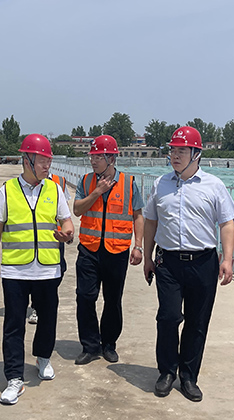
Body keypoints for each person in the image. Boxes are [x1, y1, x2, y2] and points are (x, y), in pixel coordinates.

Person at [142, 126, 234, 402]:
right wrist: (147, 257)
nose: (174, 155)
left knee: (197, 321)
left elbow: (227, 223)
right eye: (172, 150)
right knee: (168, 317)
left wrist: (227, 259)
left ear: (196, 154)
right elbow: (151, 221)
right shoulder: (160, 184)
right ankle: (166, 371)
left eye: (181, 151)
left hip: (203, 262)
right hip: (168, 262)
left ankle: (188, 376)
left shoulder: (214, 185)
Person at [0, 134, 74, 405]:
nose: (48, 166)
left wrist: (67, 233)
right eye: (43, 161)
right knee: (14, 325)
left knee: (48, 319)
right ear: (27, 160)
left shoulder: (55, 190)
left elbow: (67, 222)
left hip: (47, 269)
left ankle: (43, 357)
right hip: (16, 270)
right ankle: (14, 377)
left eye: (49, 161)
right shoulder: (8, 190)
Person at [73, 135, 144, 365]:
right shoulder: (86, 181)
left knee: (113, 300)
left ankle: (109, 344)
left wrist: (138, 246)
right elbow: (77, 210)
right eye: (92, 156)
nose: (93, 161)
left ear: (112, 158)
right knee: (85, 297)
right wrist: (96, 192)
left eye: (98, 157)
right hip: (89, 249)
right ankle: (90, 346)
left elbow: (138, 215)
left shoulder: (129, 183)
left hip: (117, 251)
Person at [28, 171, 72, 325]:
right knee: (36, 270)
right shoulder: (27, 181)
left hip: (56, 236)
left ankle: (44, 302)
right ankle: (36, 307)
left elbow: (65, 210)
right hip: (35, 237)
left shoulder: (60, 181)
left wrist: (68, 233)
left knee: (60, 268)